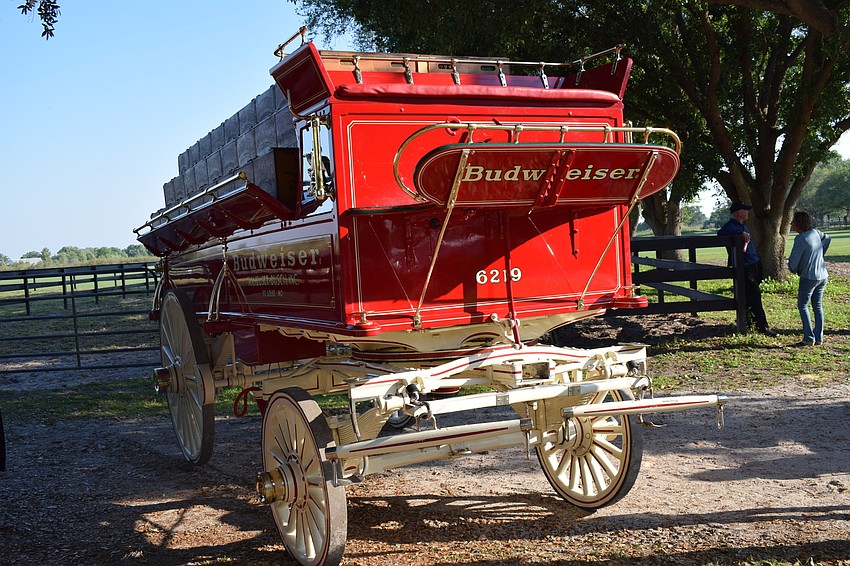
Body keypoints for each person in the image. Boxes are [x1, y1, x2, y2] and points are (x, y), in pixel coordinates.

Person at [717, 201, 777, 336]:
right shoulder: (732, 226)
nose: (748, 212)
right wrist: (739, 233)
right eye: (746, 210)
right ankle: (763, 327)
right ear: (739, 212)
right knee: (754, 297)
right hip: (745, 268)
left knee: (751, 297)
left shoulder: (743, 226)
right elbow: (721, 233)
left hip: (753, 265)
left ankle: (751, 324)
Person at [788, 211, 830, 346]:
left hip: (809, 277)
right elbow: (827, 238)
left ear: (798, 223)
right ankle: (819, 337)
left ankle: (808, 337)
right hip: (823, 275)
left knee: (803, 305)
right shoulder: (816, 232)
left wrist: (792, 269)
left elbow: (793, 263)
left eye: (792, 222)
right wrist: (820, 254)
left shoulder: (800, 239)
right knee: (817, 306)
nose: (791, 224)